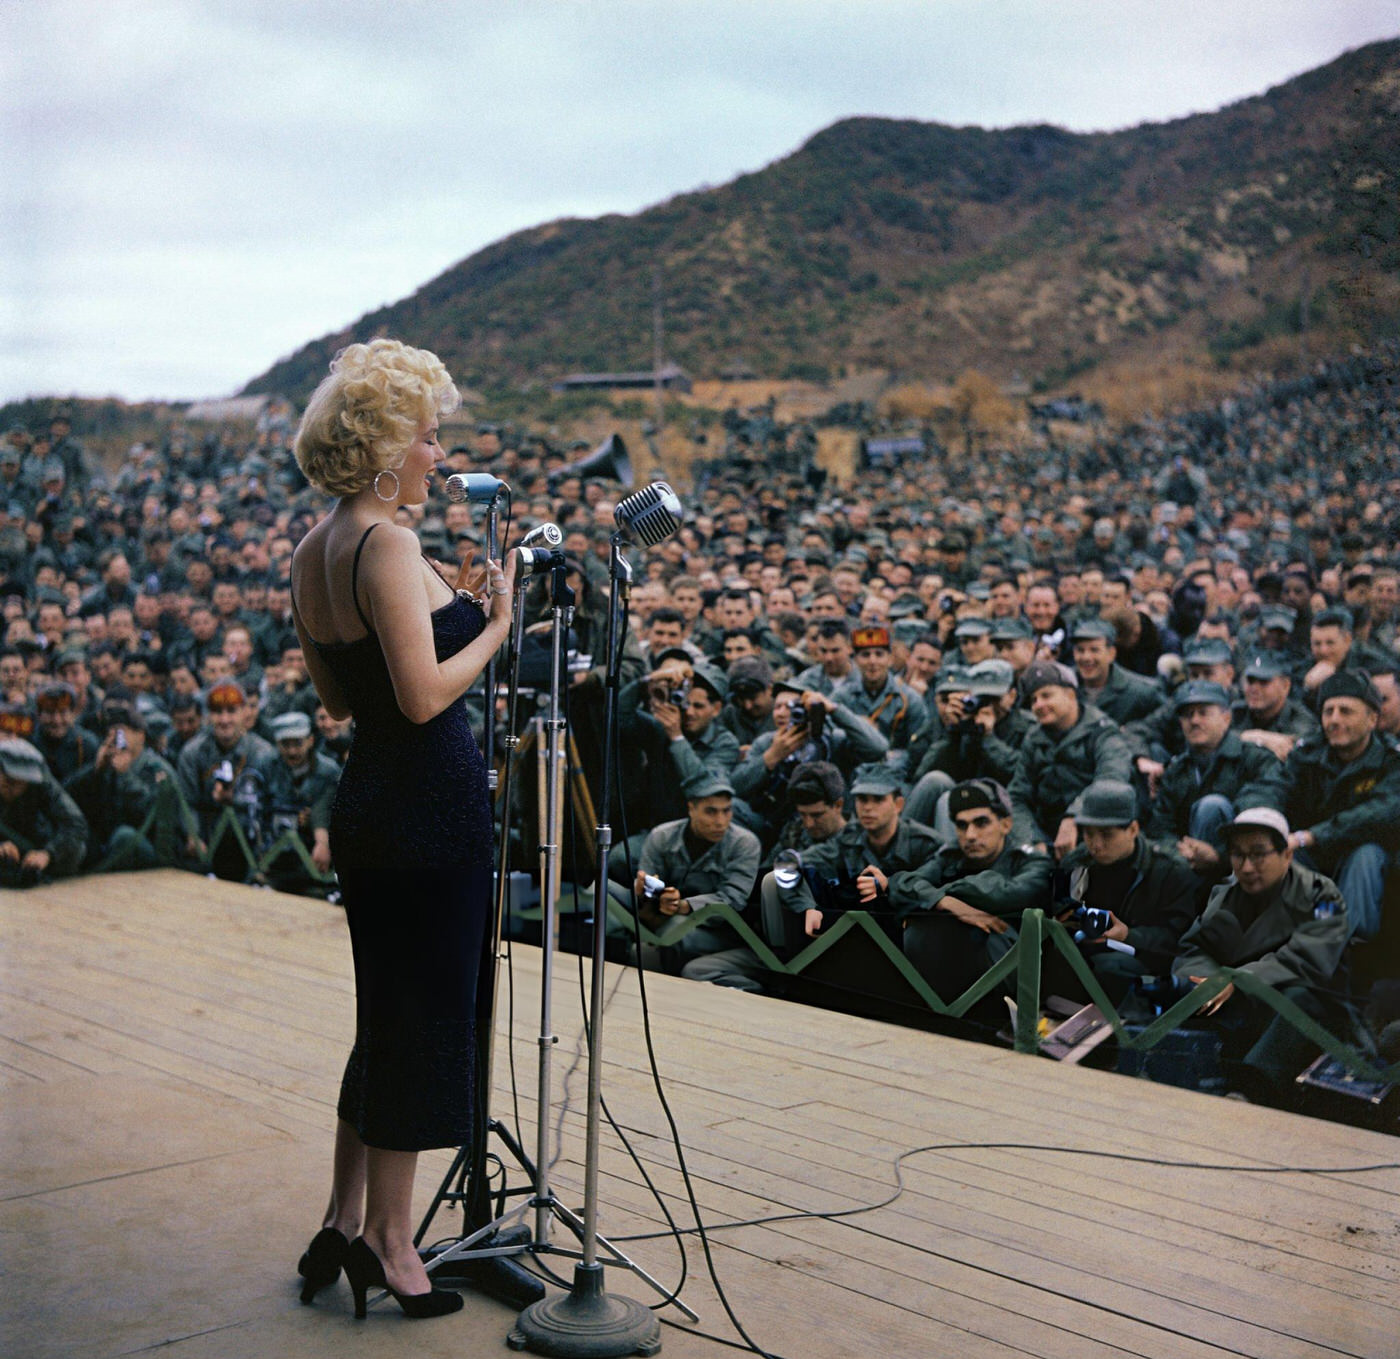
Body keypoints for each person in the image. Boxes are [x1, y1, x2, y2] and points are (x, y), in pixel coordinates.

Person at [287, 339, 517, 1318]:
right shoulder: (386, 544)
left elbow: (342, 704)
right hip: (428, 811)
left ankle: (341, 1221)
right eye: (428, 436)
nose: (439, 451)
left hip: (373, 805)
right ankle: (390, 1241)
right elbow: (422, 698)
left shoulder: (315, 549)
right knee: (424, 1021)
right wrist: (497, 626)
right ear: (385, 447)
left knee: (384, 1017)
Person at [1173, 808, 1349, 1104]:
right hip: (1241, 1004)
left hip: (1301, 1012)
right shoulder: (1226, 893)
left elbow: (1311, 958)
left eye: (1258, 854)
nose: (1246, 866)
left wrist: (1236, 979)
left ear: (1287, 856)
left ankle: (1250, 1090)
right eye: (1238, 855)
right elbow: (1192, 948)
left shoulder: (1322, 895)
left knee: (1304, 996)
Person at [887, 778, 1052, 1010]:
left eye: (981, 823)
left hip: (1013, 980)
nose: (971, 835)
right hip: (951, 976)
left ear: (1005, 825)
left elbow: (1008, 894)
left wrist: (945, 897)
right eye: (962, 826)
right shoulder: (951, 857)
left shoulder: (1031, 862)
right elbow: (901, 883)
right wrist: (944, 902)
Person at [1055, 780, 1199, 1003]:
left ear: (1132, 829)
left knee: (1110, 966)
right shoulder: (1075, 863)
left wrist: (1128, 936)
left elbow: (1179, 939)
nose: (1096, 844)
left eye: (1106, 835)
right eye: (1089, 834)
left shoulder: (1169, 870)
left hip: (1144, 959)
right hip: (1085, 950)